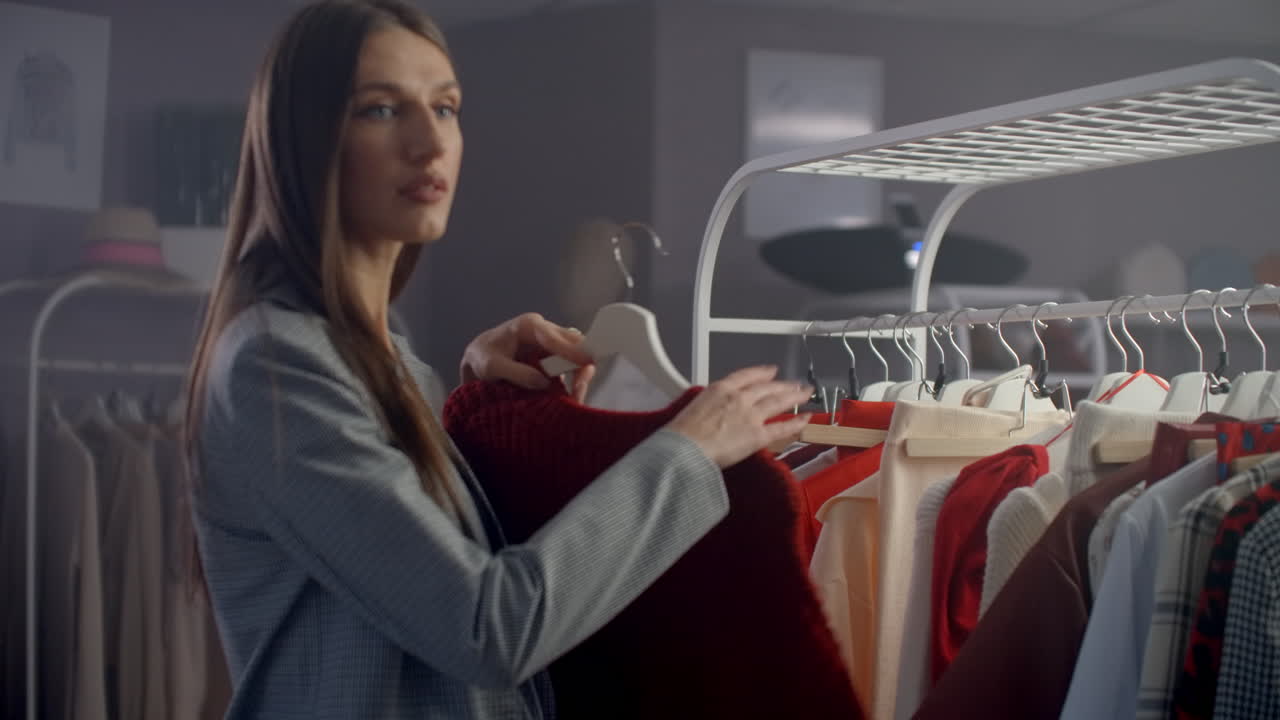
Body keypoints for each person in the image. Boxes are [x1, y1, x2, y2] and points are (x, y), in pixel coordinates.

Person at [181, 1, 814, 718]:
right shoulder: (275, 363)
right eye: (382, 110)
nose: (431, 143)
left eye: (445, 108)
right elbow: (484, 627)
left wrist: (449, 396)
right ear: (304, 140)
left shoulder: (379, 354)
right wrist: (686, 453)